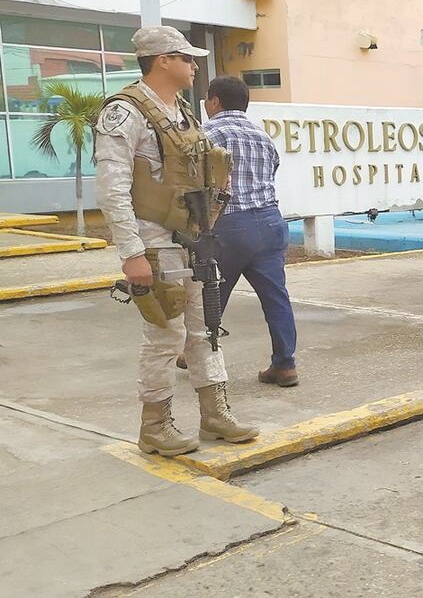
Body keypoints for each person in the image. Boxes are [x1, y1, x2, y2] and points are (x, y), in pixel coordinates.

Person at [94, 26, 259, 456]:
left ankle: (215, 414)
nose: (193, 65)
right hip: (153, 242)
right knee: (165, 337)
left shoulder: (181, 111)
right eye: (185, 58)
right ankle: (155, 425)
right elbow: (112, 189)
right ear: (161, 60)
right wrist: (131, 253)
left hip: (193, 240)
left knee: (205, 330)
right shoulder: (125, 113)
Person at [203, 75, 299, 387]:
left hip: (230, 225)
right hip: (271, 222)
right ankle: (285, 365)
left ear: (215, 101)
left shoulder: (207, 134)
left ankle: (199, 357)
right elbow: (271, 173)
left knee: (212, 294)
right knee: (276, 297)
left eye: (207, 99)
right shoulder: (263, 137)